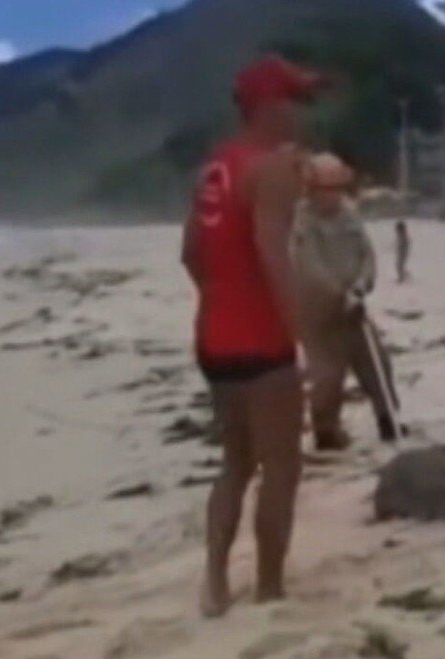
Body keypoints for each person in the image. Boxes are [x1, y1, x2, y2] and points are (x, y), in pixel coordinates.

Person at [182, 54, 325, 618]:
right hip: (262, 343)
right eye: (295, 100)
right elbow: (273, 257)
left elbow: (191, 253)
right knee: (281, 467)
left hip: (214, 339)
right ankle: (268, 587)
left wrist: (220, 297)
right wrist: (304, 339)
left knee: (235, 464)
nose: (301, 113)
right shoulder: (273, 169)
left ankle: (215, 583)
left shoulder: (214, 167)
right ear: (269, 105)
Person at [292, 153, 406, 451]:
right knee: (327, 377)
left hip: (354, 308)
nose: (332, 195)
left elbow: (366, 255)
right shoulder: (302, 221)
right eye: (325, 189)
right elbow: (309, 266)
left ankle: (388, 419)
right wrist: (337, 292)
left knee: (377, 363)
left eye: (337, 188)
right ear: (311, 189)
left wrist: (361, 285)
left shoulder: (349, 214)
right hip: (318, 317)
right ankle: (326, 432)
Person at [395, 220, 412, 284]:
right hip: (401, 253)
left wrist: (402, 250)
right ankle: (405, 276)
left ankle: (402, 278)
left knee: (399, 266)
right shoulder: (401, 235)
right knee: (399, 266)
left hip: (403, 253)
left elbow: (405, 244)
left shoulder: (403, 236)